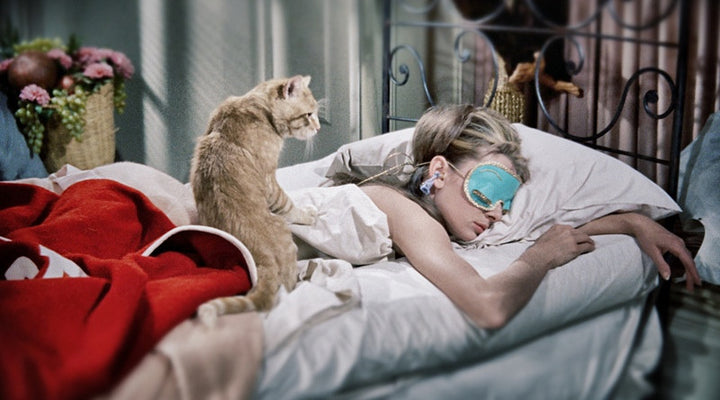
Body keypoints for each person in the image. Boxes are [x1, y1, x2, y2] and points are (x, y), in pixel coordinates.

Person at [360, 104, 702, 329]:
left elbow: (542, 226)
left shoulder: (427, 217)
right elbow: (489, 307)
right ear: (439, 171)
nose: (496, 213)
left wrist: (632, 221)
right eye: (488, 191)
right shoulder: (404, 209)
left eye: (505, 203)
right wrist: (539, 258)